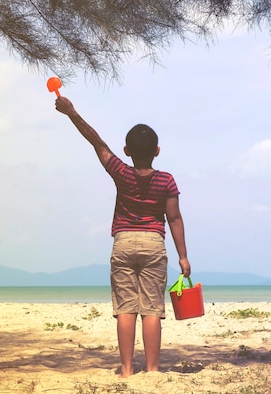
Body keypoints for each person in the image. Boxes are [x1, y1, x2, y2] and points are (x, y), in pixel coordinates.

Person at [55, 95, 191, 377]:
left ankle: (127, 369)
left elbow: (98, 143)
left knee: (126, 309)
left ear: (127, 150)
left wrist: (71, 113)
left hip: (124, 242)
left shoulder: (120, 172)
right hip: (154, 243)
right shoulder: (167, 180)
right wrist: (183, 256)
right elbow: (174, 218)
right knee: (152, 309)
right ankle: (152, 369)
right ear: (158, 151)